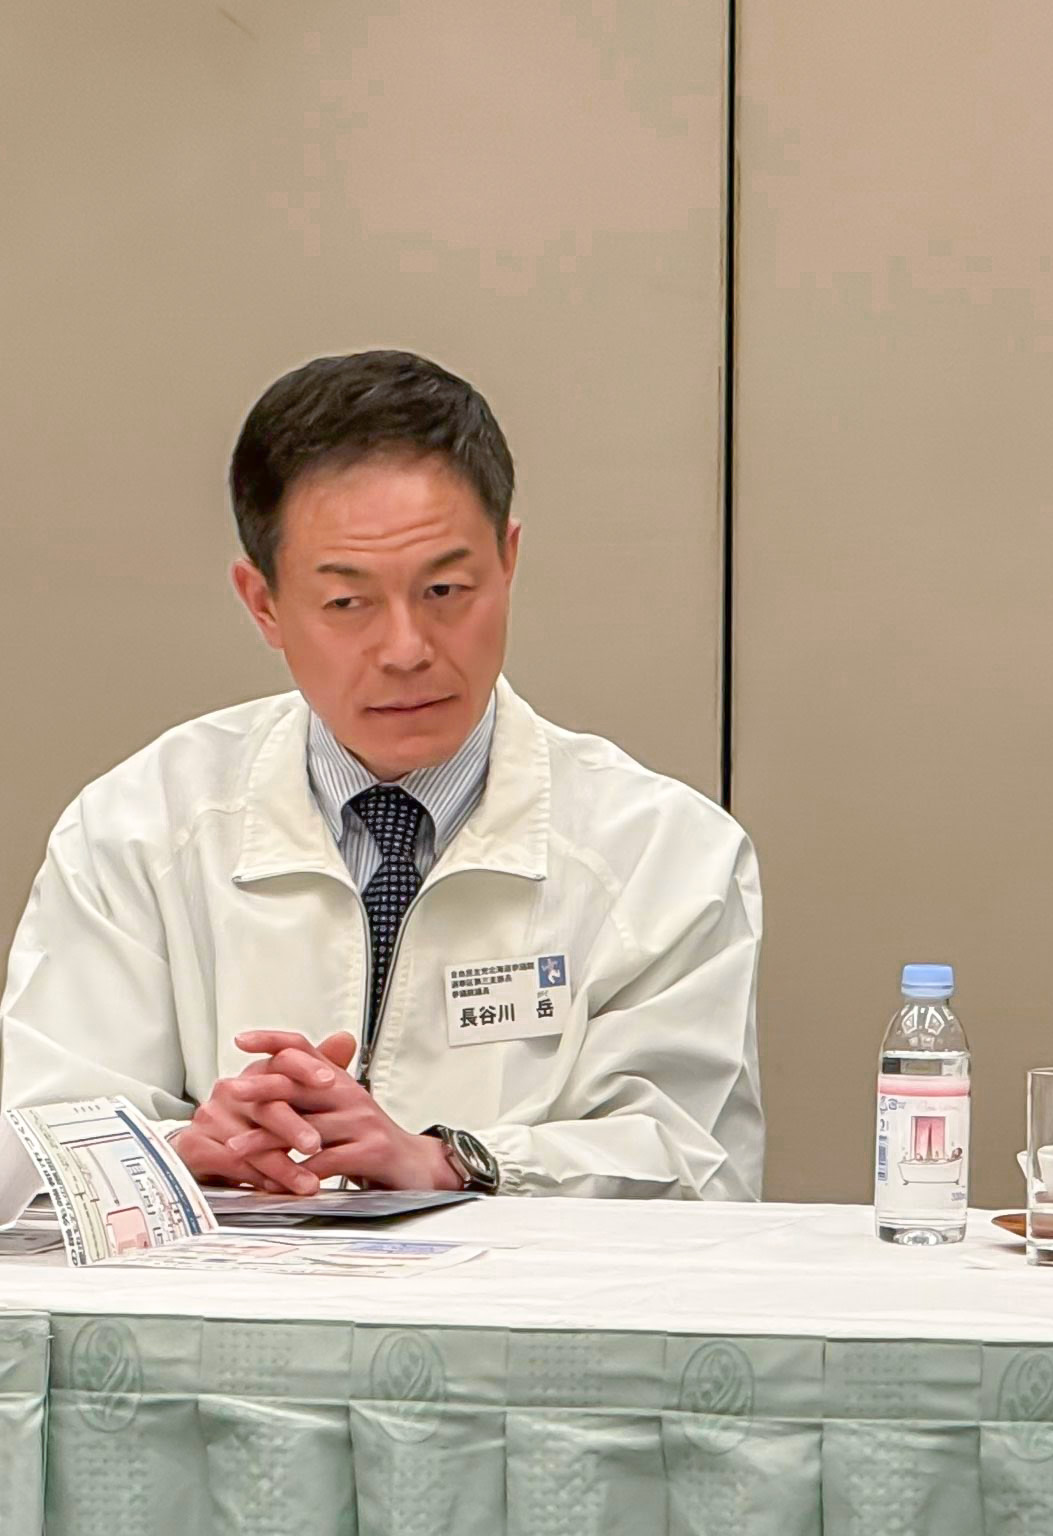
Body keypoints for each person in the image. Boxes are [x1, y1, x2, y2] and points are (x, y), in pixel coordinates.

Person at [0, 350, 762, 1200]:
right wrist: (183, 1152)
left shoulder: (663, 854)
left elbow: (698, 1170)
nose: (406, 650)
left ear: (508, 561)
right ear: (263, 603)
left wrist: (448, 1164)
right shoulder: (138, 828)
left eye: (446, 589)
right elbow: (36, 1139)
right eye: (347, 603)